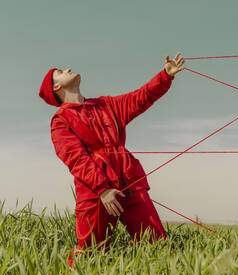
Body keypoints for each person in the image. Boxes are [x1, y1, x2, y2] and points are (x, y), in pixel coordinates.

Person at [39, 53, 184, 263]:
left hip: (130, 181)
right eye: (60, 73)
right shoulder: (61, 120)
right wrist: (103, 189)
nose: (68, 69)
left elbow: (140, 97)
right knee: (90, 255)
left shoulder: (105, 104)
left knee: (158, 245)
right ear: (56, 88)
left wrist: (166, 75)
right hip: (94, 193)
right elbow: (76, 158)